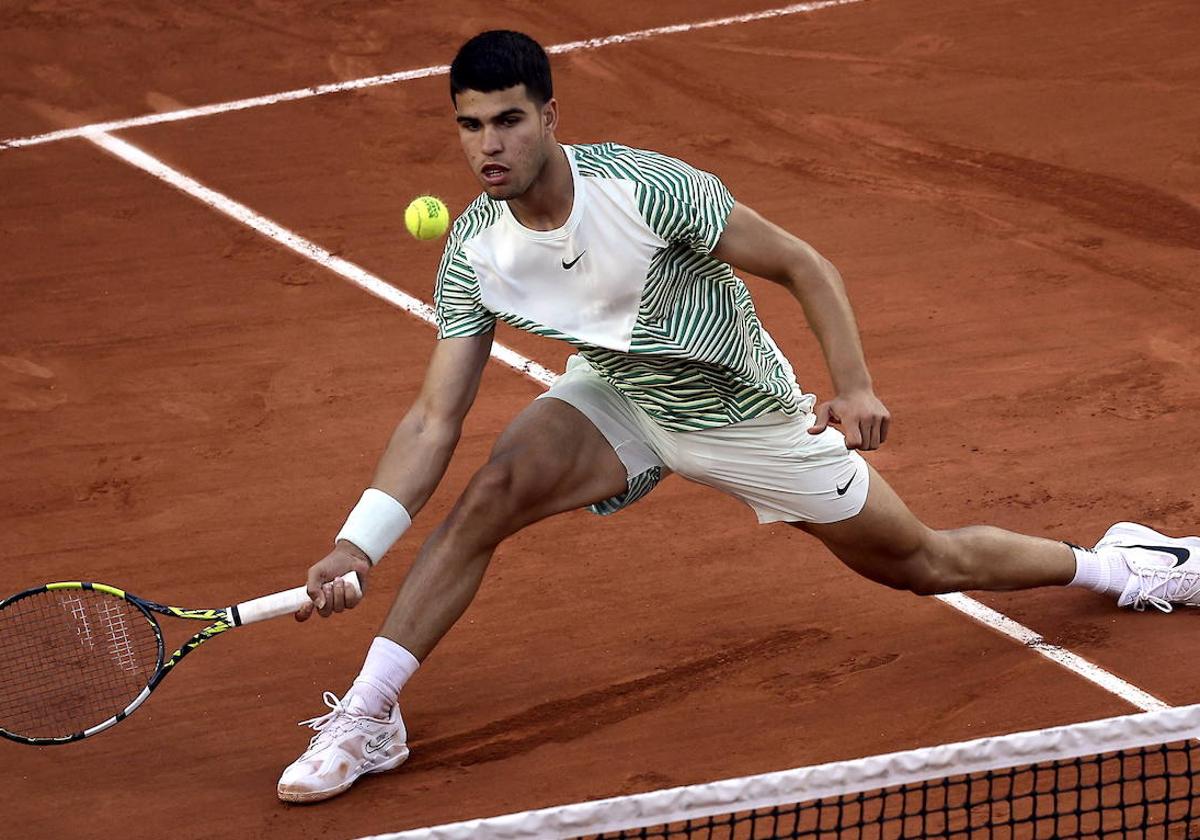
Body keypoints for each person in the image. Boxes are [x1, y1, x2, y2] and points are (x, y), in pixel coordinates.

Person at [275, 30, 1200, 804]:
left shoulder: (645, 189)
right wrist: (359, 543)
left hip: (744, 417)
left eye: (509, 120)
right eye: (471, 126)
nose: (490, 146)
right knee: (493, 491)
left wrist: (855, 385)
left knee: (923, 562)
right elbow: (436, 417)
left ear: (550, 118)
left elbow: (805, 263)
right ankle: (370, 714)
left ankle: (1121, 565)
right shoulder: (475, 250)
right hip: (621, 394)